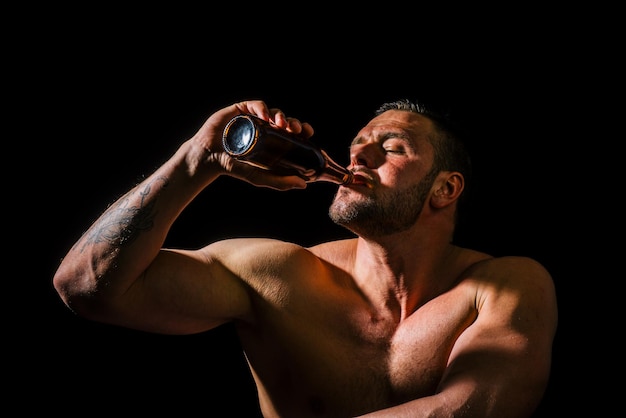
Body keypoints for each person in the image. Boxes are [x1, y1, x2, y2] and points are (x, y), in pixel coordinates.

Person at [53, 98, 558, 417]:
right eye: (358, 145)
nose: (359, 157)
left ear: (445, 189)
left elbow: (466, 410)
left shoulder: (504, 286)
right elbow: (85, 286)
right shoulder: (275, 275)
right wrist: (196, 159)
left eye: (392, 147)